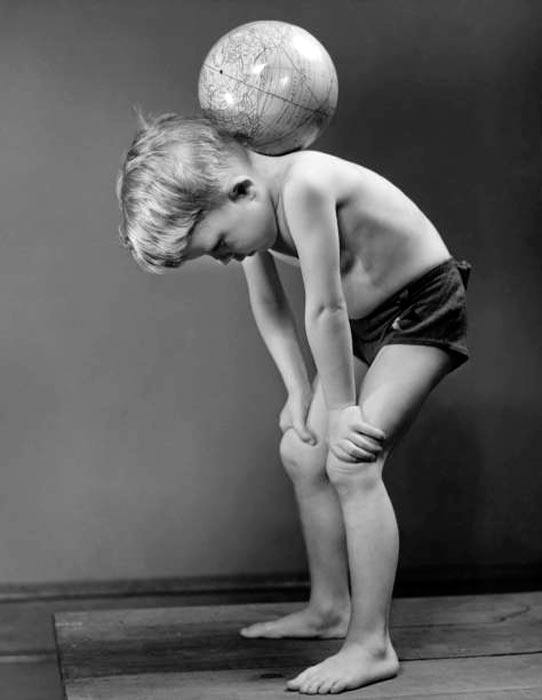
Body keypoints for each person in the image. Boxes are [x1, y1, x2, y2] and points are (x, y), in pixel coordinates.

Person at [116, 112, 471, 695]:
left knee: (351, 461)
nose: (226, 257)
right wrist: (299, 391)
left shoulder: (303, 185)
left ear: (241, 191)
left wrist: (342, 411)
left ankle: (370, 644)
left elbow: (324, 308)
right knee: (302, 453)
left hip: (421, 307)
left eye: (221, 245)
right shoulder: (248, 210)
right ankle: (329, 607)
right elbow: (273, 310)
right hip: (360, 323)